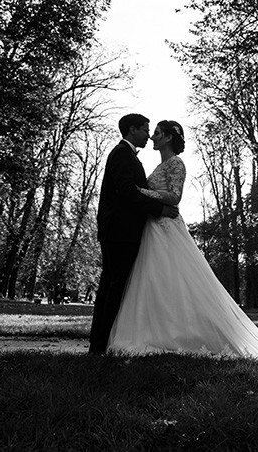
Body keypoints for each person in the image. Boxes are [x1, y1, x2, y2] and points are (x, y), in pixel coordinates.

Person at [107, 120, 258, 360]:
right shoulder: (160, 165)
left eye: (157, 133)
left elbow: (174, 197)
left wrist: (141, 192)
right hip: (152, 228)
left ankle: (185, 333)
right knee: (157, 281)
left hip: (167, 227)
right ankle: (156, 329)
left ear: (168, 138)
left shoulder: (176, 163)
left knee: (177, 279)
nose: (152, 137)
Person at [89, 114, 179, 355]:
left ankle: (101, 343)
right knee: (113, 287)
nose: (148, 135)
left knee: (113, 286)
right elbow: (128, 193)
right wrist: (160, 208)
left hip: (123, 230)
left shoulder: (127, 156)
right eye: (145, 130)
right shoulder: (122, 155)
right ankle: (98, 345)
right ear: (132, 130)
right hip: (120, 231)